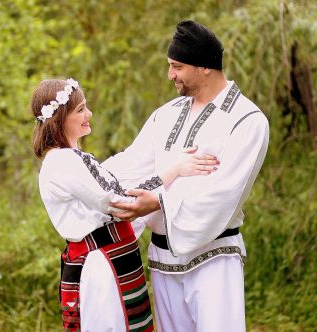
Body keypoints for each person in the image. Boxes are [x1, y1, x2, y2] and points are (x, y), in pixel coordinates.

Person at [105, 20, 270, 331]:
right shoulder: (165, 114)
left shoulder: (247, 121)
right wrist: (93, 180)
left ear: (204, 66)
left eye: (177, 66)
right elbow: (132, 163)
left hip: (214, 258)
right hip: (162, 261)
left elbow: (221, 192)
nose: (170, 75)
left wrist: (156, 202)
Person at [31, 78, 219, 331]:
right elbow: (119, 201)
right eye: (80, 110)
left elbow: (118, 185)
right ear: (60, 118)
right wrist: (174, 170)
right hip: (102, 265)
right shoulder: (62, 162)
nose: (89, 114)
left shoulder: (73, 157)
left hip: (114, 258)